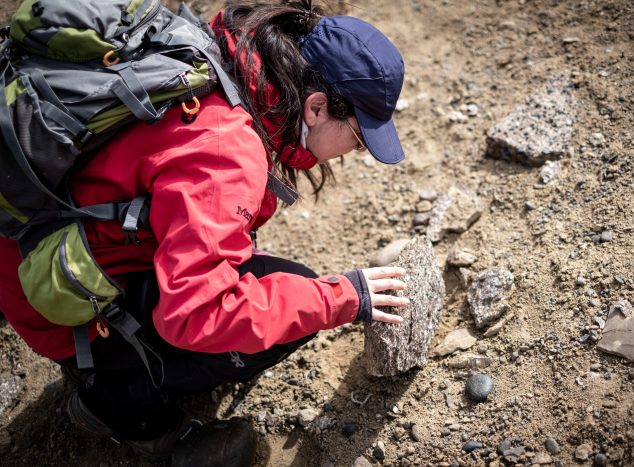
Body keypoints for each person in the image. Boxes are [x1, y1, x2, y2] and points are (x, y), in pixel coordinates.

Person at [0, 0, 408, 462]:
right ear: (315, 107)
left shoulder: (224, 54)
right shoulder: (224, 153)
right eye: (358, 137)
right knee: (293, 305)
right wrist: (341, 299)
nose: (355, 151)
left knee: (273, 291)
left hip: (31, 238)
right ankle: (125, 408)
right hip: (52, 300)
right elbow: (195, 314)